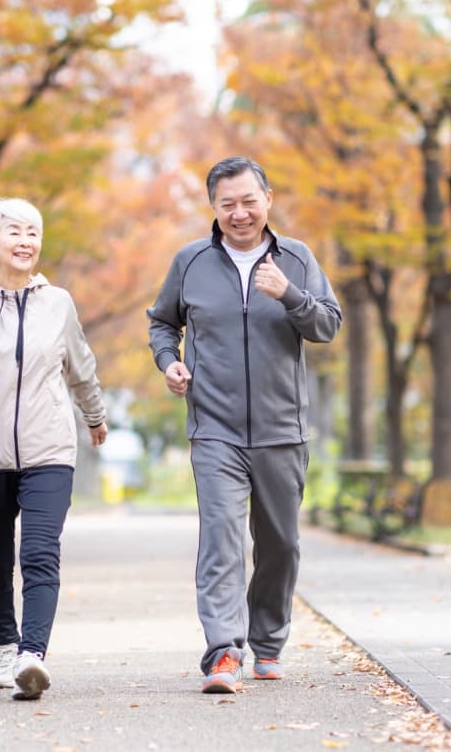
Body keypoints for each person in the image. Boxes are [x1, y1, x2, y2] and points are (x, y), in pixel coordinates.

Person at [147, 157, 343, 694]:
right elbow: (162, 322)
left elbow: (328, 324)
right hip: (215, 429)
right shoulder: (190, 262)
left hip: (283, 430)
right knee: (222, 540)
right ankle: (223, 654)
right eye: (227, 204)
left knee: (279, 543)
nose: (239, 213)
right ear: (213, 207)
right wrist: (170, 362)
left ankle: (269, 642)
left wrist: (290, 295)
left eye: (248, 201)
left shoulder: (297, 259)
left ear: (268, 200)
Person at [0, 198, 108, 701]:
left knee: (40, 553)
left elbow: (80, 365)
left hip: (49, 450)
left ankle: (31, 656)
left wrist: (95, 417)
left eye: (33, 232)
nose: (25, 241)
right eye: (14, 232)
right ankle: (4, 648)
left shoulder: (57, 303)